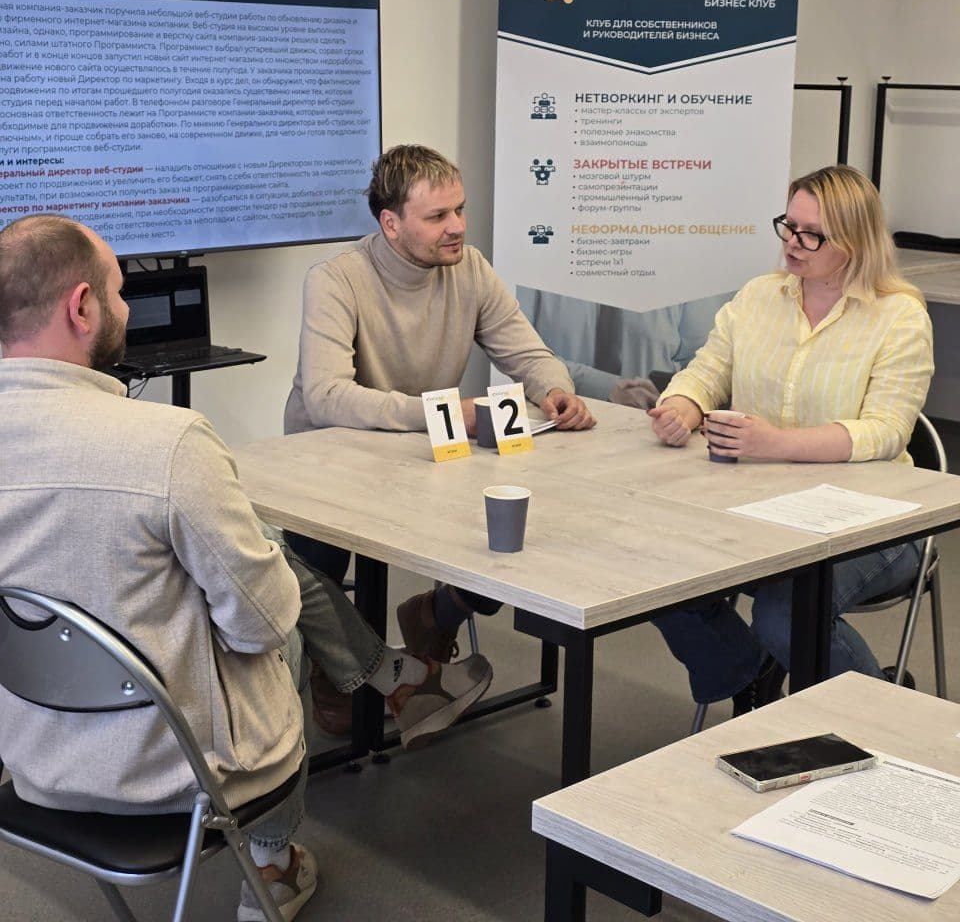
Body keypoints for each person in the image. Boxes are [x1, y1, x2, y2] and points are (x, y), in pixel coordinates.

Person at [0, 215, 490, 922]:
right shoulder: (167, 443)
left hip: (38, 763)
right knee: (270, 607)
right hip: (179, 775)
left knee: (247, 555)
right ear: (80, 307)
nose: (128, 307)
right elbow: (265, 622)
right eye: (117, 290)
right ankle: (274, 860)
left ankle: (397, 680)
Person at [284, 144, 595, 721]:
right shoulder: (336, 279)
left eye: (460, 210)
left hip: (429, 449)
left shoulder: (469, 267)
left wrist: (553, 389)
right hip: (328, 455)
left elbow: (529, 353)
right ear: (391, 224)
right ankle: (344, 675)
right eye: (438, 217)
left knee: (515, 535)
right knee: (312, 570)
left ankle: (436, 615)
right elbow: (326, 397)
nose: (457, 227)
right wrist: (445, 411)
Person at [646, 165, 934, 714]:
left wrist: (774, 442)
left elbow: (886, 431)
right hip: (759, 505)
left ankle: (884, 724)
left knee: (787, 613)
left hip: (880, 519)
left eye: (811, 235)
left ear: (854, 242)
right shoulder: (759, 297)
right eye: (788, 226)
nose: (791, 246)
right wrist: (683, 403)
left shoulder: (899, 317)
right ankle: (747, 668)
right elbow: (709, 368)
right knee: (654, 562)